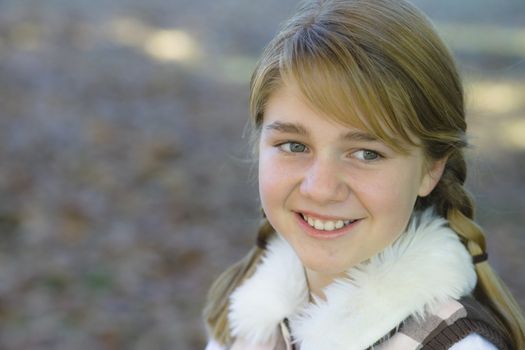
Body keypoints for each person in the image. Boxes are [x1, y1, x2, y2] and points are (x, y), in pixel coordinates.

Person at [203, 0, 525, 349]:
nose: (321, 188)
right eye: (295, 146)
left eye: (367, 153)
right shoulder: (245, 325)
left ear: (431, 169)